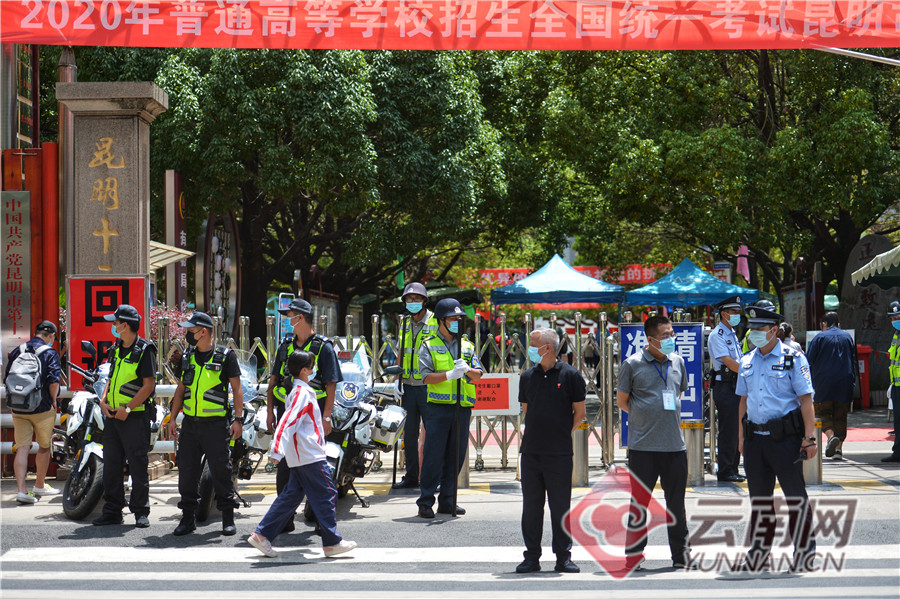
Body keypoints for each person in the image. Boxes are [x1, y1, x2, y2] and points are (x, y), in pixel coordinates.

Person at [247, 350, 356, 558]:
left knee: (290, 497)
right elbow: (287, 421)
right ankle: (332, 542)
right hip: (309, 455)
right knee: (327, 493)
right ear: (305, 370)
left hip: (300, 455)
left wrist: (279, 451)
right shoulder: (302, 394)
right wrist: (277, 450)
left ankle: (262, 535)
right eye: (312, 366)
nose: (315, 369)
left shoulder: (298, 391)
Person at [735, 304, 817, 572]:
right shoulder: (747, 360)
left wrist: (810, 438)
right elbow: (743, 402)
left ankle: (804, 553)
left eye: (760, 330)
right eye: (752, 330)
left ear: (773, 331)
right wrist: (740, 438)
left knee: (795, 497)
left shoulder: (793, 358)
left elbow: (806, 401)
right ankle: (759, 551)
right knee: (759, 500)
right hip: (755, 440)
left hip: (785, 440)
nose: (754, 334)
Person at [616, 315, 692, 570]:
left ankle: (681, 556)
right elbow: (622, 401)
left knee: (676, 504)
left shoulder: (678, 361)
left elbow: (679, 391)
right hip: (643, 448)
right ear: (650, 340)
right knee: (639, 504)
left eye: (672, 334)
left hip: (674, 446)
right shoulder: (632, 364)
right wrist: (645, 417)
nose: (671, 339)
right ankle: (634, 556)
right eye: (665, 336)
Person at [265, 298, 342, 531]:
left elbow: (331, 384)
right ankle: (284, 521)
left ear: (301, 317)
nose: (288, 320)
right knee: (286, 470)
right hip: (287, 410)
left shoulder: (323, 347)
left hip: (312, 416)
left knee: (317, 466)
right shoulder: (286, 345)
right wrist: (269, 410)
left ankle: (322, 521)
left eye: (290, 316)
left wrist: (327, 417)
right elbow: (274, 379)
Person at [515, 328, 586, 574]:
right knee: (531, 507)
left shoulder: (571, 376)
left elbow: (580, 414)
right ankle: (531, 557)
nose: (530, 349)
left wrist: (561, 434)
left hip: (559, 453)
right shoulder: (527, 376)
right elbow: (527, 409)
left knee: (560, 506)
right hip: (532, 451)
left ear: (548, 348)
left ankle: (563, 557)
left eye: (534, 344)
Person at [167, 311, 243, 536]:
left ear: (204, 331)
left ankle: (227, 518)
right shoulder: (188, 356)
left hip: (215, 425)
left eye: (191, 330)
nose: (187, 334)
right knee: (187, 473)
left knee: (221, 471)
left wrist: (238, 420)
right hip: (190, 424)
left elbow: (236, 389)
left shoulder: (225, 356)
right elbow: (181, 389)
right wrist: (172, 418)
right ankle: (187, 519)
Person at [416, 298, 483, 518]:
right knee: (434, 456)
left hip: (461, 408)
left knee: (457, 456)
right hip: (438, 408)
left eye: (459, 319)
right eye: (453, 319)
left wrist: (466, 371)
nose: (457, 322)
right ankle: (426, 501)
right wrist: (448, 375)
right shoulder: (428, 345)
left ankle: (448, 501)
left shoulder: (467, 345)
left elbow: (478, 374)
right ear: (441, 321)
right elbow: (424, 377)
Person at [93, 305, 156, 528]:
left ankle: (140, 511)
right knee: (111, 465)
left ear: (125, 325)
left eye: (115, 322)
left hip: (134, 418)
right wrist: (103, 400)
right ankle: (112, 510)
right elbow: (109, 378)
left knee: (138, 465)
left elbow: (148, 386)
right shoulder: (117, 348)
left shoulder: (145, 350)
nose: (113, 326)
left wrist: (127, 409)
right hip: (112, 416)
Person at [4, 320, 62, 504]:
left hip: (19, 407)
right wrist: (53, 400)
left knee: (22, 447)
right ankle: (39, 485)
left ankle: (22, 491)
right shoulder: (50, 353)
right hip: (42, 407)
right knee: (44, 447)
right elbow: (54, 381)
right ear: (51, 336)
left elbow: (7, 377)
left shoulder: (18, 350)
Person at [393, 282, 438, 490]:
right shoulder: (404, 323)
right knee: (409, 435)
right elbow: (402, 351)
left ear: (424, 301)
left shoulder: (436, 322)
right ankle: (411, 476)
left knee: (433, 434)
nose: (412, 303)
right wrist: (396, 378)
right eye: (409, 300)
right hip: (408, 386)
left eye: (416, 299)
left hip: (429, 385)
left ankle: (432, 477)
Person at [806, 312, 856, 461]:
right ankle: (838, 449)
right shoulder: (847, 337)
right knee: (841, 414)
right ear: (838, 324)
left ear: (824, 324)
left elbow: (809, 360)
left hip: (823, 383)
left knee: (822, 412)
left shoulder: (819, 338)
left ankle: (831, 436)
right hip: (845, 382)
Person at [707, 295, 746, 483]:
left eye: (739, 312)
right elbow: (729, 362)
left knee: (737, 428)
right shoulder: (718, 335)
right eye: (734, 312)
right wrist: (750, 372)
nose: (737, 315)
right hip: (726, 385)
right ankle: (725, 470)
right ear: (723, 314)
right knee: (729, 429)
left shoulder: (731, 334)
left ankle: (733, 468)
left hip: (736, 385)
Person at [882, 301, 900, 463]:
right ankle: (898, 452)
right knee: (898, 421)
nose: (894, 320)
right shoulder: (896, 334)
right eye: (892, 317)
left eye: (897, 317)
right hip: (896, 386)